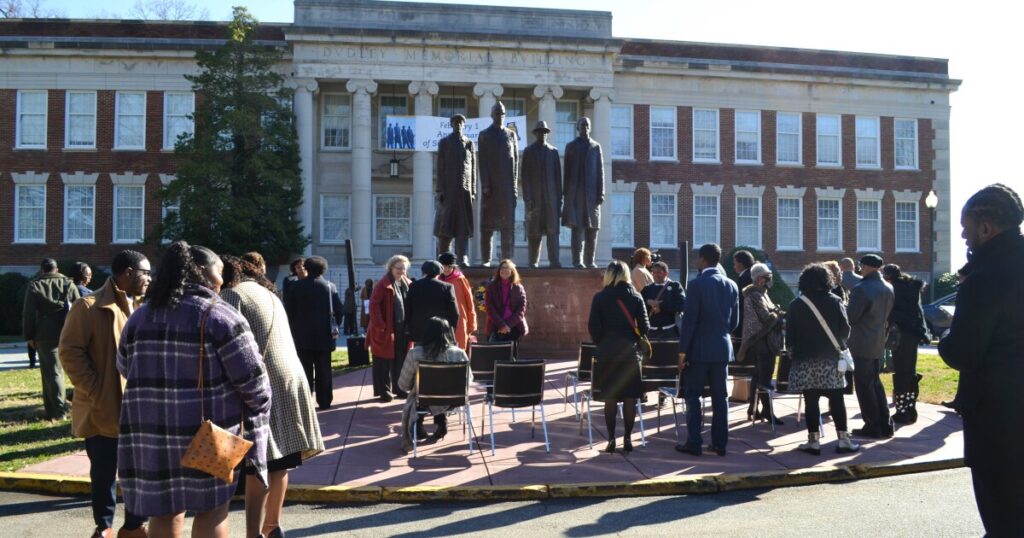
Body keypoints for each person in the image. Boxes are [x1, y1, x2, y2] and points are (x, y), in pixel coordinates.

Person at [116, 241, 271, 538]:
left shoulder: (139, 317)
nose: (222, 279)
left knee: (163, 512)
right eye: (219, 271)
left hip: (150, 434)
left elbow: (124, 366)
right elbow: (255, 383)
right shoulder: (220, 315)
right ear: (202, 272)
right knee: (213, 512)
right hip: (212, 435)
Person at [939, 183, 1024, 537]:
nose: (963, 234)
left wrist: (945, 337)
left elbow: (964, 352)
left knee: (1003, 519)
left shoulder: (983, 279)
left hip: (998, 420)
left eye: (966, 226)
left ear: (986, 228)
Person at [221, 256, 325, 538]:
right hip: (292, 379)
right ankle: (272, 525)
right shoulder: (268, 293)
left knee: (259, 463)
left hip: (264, 382)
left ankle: (253, 533)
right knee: (281, 462)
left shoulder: (232, 294)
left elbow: (226, 341)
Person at [59, 250, 151, 538]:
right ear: (127, 273)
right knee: (103, 473)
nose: (149, 278)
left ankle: (135, 525)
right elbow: (70, 352)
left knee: (138, 471)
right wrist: (95, 389)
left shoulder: (144, 307)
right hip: (102, 409)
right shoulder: (87, 307)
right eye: (145, 272)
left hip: (137, 408)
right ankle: (105, 527)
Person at [785, 263, 860, 455]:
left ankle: (813, 440)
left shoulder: (796, 305)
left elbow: (790, 336)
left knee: (811, 401)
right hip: (831, 358)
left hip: (805, 360)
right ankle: (843, 439)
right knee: (837, 399)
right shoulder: (835, 301)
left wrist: (795, 353)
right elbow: (845, 330)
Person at [675, 244, 740, 457]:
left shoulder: (696, 285)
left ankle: (694, 441)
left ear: (702, 259)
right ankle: (720, 443)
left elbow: (690, 322)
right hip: (722, 348)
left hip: (699, 350)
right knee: (720, 398)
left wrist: (682, 353)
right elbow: (734, 322)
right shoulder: (732, 285)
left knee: (693, 396)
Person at [588, 260, 649, 453]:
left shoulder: (600, 297)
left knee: (611, 398)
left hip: (607, 353)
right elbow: (645, 327)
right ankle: (628, 439)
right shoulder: (636, 297)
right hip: (630, 354)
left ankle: (612, 439)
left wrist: (602, 342)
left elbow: (593, 327)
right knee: (630, 398)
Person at [397, 317, 469, 452]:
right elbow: (468, 380)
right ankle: (441, 421)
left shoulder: (415, 354)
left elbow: (403, 385)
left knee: (422, 393)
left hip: (424, 400)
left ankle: (418, 422)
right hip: (453, 400)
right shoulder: (460, 354)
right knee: (440, 392)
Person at [283, 256, 344, 410]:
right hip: (325, 335)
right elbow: (339, 311)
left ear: (307, 268)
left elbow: (289, 311)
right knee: (324, 369)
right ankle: (325, 401)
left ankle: (305, 401)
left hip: (301, 335)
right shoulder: (330, 287)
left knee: (304, 369)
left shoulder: (296, 287)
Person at [22, 258, 80, 419]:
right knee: (78, 370)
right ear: (57, 269)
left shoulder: (35, 285)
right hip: (69, 330)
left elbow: (28, 315)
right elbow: (80, 308)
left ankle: (57, 411)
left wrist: (29, 336)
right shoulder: (68, 284)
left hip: (45, 333)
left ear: (42, 270)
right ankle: (77, 404)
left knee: (52, 373)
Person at [847, 253, 895, 439]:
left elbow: (851, 317)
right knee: (875, 383)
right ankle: (885, 423)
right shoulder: (888, 287)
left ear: (865, 266)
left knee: (864, 386)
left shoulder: (862, 289)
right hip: (878, 341)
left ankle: (872, 425)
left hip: (861, 342)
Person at [882, 264, 930, 425]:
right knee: (909, 371)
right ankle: (910, 408)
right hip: (913, 333)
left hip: (901, 333)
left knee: (902, 373)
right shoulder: (911, 288)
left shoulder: (894, 290)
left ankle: (902, 411)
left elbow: (893, 313)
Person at [737, 263, 784, 425]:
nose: (770, 279)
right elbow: (767, 318)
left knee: (758, 377)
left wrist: (775, 313)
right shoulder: (756, 295)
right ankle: (767, 411)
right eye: (767, 277)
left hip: (761, 341)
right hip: (761, 342)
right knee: (764, 379)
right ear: (759, 279)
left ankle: (753, 409)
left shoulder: (761, 293)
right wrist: (777, 315)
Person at [478, 101, 519, 266]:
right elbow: (482, 162)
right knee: (487, 226)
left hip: (507, 188)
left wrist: (514, 187)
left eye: (502, 113)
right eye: (496, 113)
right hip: (491, 188)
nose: (499, 116)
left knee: (507, 227)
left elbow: (515, 162)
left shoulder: (511, 135)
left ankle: (507, 261)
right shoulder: (484, 135)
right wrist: (486, 185)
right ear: (492, 115)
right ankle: (486, 259)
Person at [368, 255, 412, 401]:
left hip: (403, 329)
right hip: (386, 330)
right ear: (391, 268)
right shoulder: (382, 284)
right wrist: (380, 325)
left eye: (403, 269)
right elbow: (374, 306)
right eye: (398, 268)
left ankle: (399, 389)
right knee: (383, 361)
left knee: (400, 360)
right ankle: (383, 391)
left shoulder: (407, 283)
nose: (401, 271)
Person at [562, 117, 604, 269]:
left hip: (592, 196)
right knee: (577, 230)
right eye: (582, 125)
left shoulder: (596, 147)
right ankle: (576, 261)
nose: (585, 127)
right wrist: (566, 196)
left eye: (587, 125)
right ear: (577, 128)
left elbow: (600, 171)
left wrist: (601, 193)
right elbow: (566, 172)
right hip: (576, 196)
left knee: (592, 230)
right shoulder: (571, 146)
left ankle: (590, 261)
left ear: (590, 128)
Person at [435, 114, 476, 267]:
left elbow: (472, 168)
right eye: (455, 122)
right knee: (445, 226)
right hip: (449, 190)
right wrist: (440, 189)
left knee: (463, 226)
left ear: (464, 125)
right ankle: (443, 258)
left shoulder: (469, 143)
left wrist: (473, 191)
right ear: (451, 124)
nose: (458, 124)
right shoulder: (445, 142)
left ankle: (462, 256)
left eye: (460, 122)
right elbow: (440, 167)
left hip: (464, 192)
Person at [521, 120, 563, 268]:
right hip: (534, 201)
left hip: (551, 200)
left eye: (544, 132)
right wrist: (527, 198)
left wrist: (559, 200)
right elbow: (524, 177)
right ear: (535, 134)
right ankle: (533, 262)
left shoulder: (553, 152)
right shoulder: (529, 151)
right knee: (534, 233)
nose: (542, 134)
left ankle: (554, 261)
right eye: (539, 132)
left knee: (553, 232)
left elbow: (558, 178)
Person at [405, 261, 459, 344]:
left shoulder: (414, 286)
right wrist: (451, 328)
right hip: (441, 330)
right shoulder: (447, 287)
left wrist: (409, 327)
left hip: (419, 330)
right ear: (439, 273)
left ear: (423, 272)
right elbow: (454, 312)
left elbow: (408, 308)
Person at [484, 259, 528, 357]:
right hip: (496, 327)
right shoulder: (491, 286)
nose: (504, 270)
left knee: (511, 358)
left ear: (512, 271)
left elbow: (522, 309)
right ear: (498, 271)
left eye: (507, 268)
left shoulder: (518, 287)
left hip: (513, 328)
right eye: (502, 268)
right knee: (495, 358)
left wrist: (508, 325)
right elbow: (489, 307)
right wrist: (502, 325)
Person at [439, 252, 478, 350]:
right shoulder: (437, 279)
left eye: (449, 266)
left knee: (459, 349)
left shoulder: (460, 279)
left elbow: (469, 302)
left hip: (460, 321)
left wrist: (472, 324)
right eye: (444, 266)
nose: (447, 269)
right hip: (441, 320)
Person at [641, 261, 685, 340]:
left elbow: (682, 305)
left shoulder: (675, 286)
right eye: (653, 272)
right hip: (651, 332)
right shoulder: (647, 289)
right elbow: (639, 305)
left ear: (666, 273)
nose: (655, 275)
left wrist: (661, 306)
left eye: (658, 272)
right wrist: (648, 302)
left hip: (670, 331)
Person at [731, 250, 755, 342]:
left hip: (744, 324)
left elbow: (741, 304)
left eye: (735, 263)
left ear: (740, 264)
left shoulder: (744, 278)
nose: (734, 267)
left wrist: (736, 329)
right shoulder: (752, 275)